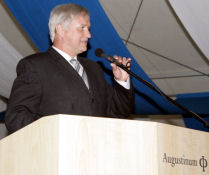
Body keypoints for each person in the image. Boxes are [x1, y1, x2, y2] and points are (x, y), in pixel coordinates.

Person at [5, 3, 134, 133]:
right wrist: (59, 133)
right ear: (60, 30)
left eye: (88, 28)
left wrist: (122, 81)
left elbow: (118, 112)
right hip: (57, 150)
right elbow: (16, 117)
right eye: (82, 28)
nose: (89, 35)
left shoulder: (94, 68)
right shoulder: (35, 66)